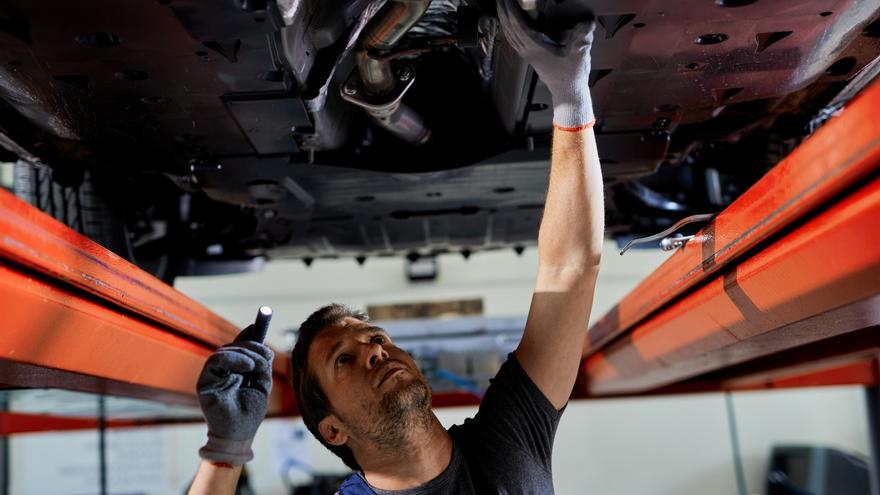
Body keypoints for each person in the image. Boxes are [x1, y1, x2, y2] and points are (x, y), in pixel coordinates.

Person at [189, 0, 602, 491]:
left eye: (375, 339)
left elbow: (566, 270)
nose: (376, 351)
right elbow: (572, 270)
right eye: (346, 358)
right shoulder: (510, 443)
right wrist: (572, 99)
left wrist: (224, 452)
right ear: (333, 430)